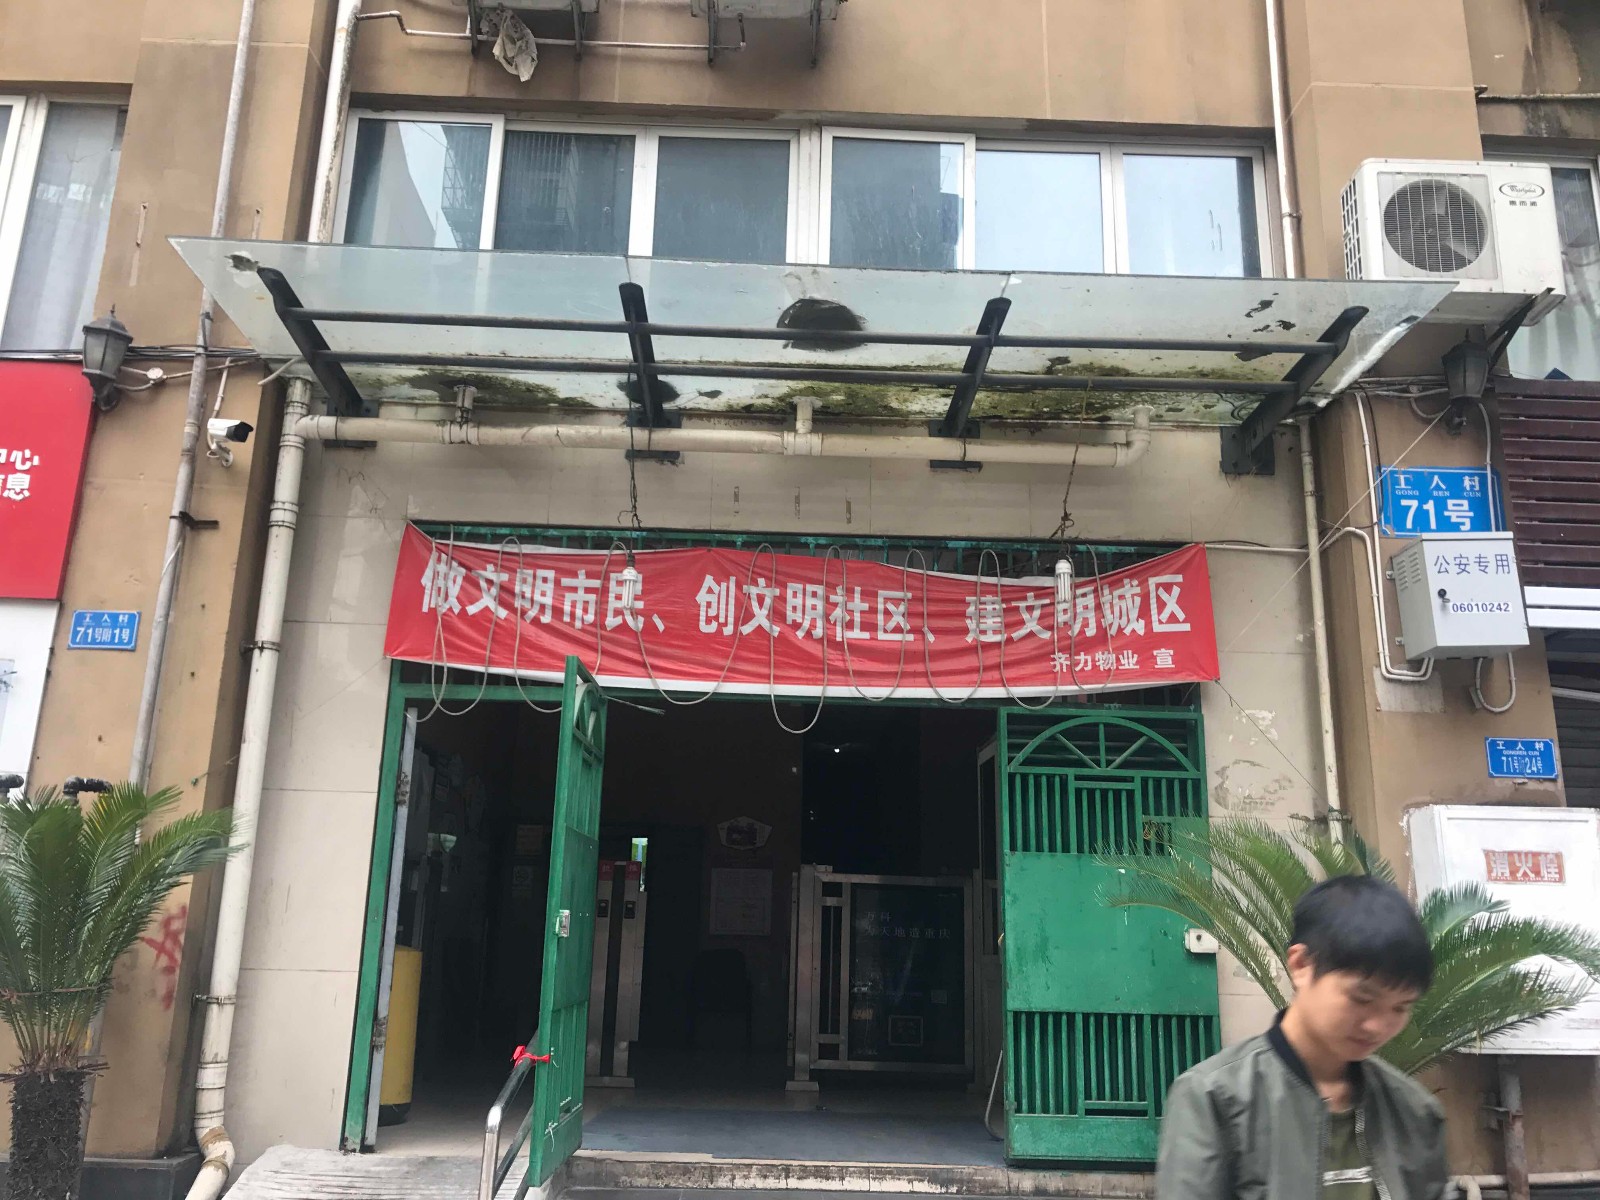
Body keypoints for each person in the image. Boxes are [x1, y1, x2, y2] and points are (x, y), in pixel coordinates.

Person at [1157, 874, 1449, 1200]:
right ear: (1301, 965)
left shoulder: (1414, 1110)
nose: (1377, 1026)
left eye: (1400, 1008)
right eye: (1362, 999)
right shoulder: (1213, 1098)